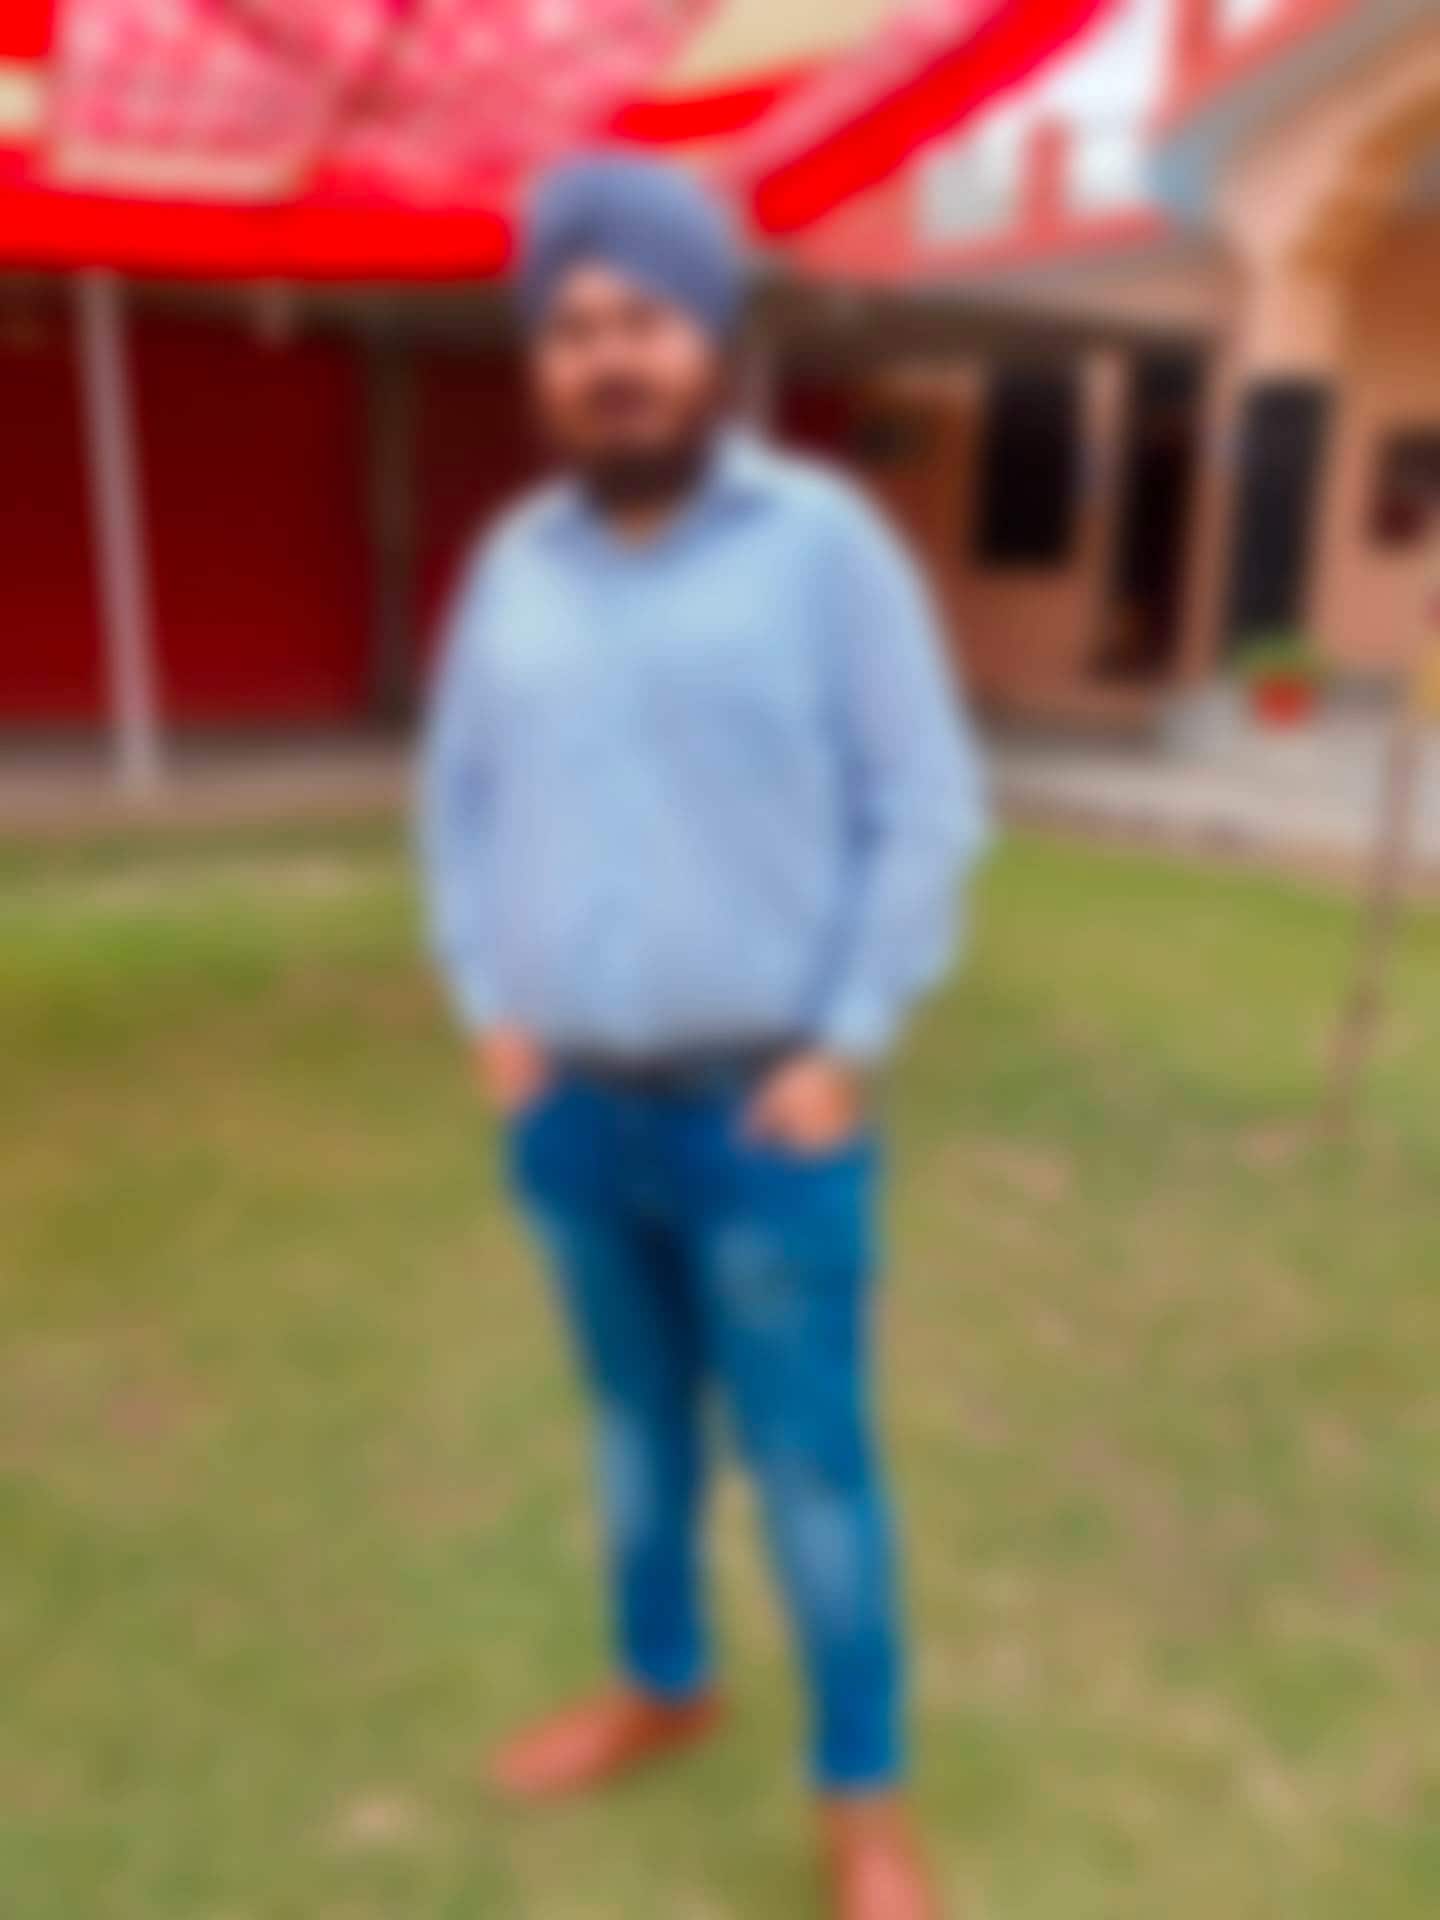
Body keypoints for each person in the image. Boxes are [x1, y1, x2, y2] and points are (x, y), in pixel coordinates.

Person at [420, 153, 987, 1920]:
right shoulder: (511, 569)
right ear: (543, 363)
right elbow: (456, 806)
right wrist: (487, 1004)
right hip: (574, 1119)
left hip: (769, 1120)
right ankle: (663, 1683)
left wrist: (849, 1042)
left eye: (644, 319)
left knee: (812, 1471)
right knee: (630, 1437)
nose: (609, 356)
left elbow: (928, 806)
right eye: (573, 327)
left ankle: (862, 1801)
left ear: (713, 339)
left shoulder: (825, 547)